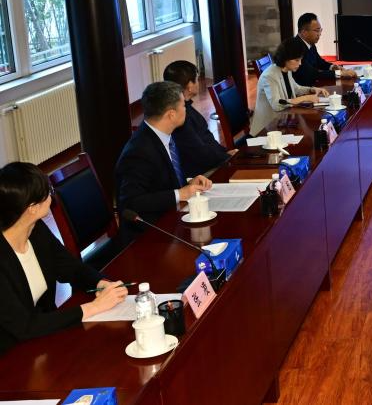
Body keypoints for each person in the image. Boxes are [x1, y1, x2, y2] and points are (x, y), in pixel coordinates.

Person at [0, 162, 129, 353]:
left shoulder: (35, 230)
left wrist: (100, 283)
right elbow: (24, 326)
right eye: (48, 192)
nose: (52, 196)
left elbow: (71, 268)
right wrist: (93, 307)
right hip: (11, 353)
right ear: (32, 208)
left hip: (44, 336)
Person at [115, 82, 213, 225]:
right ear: (171, 114)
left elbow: (160, 182)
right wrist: (180, 194)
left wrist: (188, 183)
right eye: (183, 106)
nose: (186, 109)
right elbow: (131, 201)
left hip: (171, 214)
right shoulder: (138, 151)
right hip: (151, 227)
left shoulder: (164, 135)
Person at [162, 60, 233, 176]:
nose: (199, 82)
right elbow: (200, 153)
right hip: (202, 173)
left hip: (215, 160)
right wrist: (226, 157)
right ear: (190, 86)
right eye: (197, 79)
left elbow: (207, 139)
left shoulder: (186, 108)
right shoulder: (180, 117)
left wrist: (226, 153)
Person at [251, 37, 330, 135]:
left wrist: (312, 89)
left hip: (282, 120)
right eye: (297, 60)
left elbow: (296, 88)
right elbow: (277, 105)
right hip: (267, 128)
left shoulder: (286, 69)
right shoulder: (269, 76)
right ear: (286, 58)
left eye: (300, 60)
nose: (300, 63)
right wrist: (305, 98)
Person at [293, 13, 356, 86]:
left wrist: (333, 67)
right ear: (304, 32)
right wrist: (340, 73)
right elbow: (312, 73)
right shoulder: (295, 47)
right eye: (317, 30)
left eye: (320, 30)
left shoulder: (310, 43)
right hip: (303, 88)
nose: (319, 34)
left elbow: (320, 62)